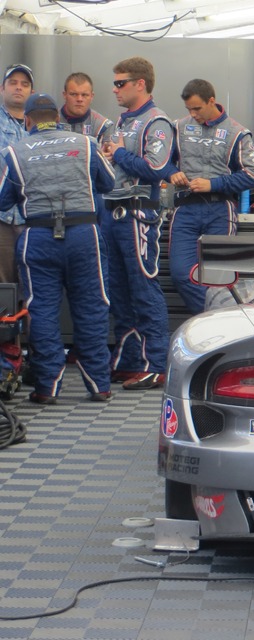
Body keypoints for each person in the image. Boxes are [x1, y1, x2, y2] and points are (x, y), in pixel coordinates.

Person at [0, 93, 116, 404]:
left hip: (37, 237)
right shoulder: (87, 144)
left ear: (27, 120)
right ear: (57, 118)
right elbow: (109, 182)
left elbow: (2, 201)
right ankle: (99, 384)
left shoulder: (14, 151)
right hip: (84, 235)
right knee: (92, 307)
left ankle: (47, 387)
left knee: (41, 311)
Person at [101, 57, 177, 391]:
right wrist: (110, 155)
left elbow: (157, 169)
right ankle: (129, 359)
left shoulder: (157, 122)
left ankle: (155, 364)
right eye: (115, 83)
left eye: (120, 83)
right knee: (119, 291)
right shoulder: (121, 121)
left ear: (140, 84)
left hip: (138, 214)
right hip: (112, 212)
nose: (115, 89)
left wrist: (118, 154)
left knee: (144, 288)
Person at [169, 78, 254, 313]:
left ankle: (218, 323)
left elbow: (252, 176)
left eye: (197, 108)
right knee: (180, 273)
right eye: (189, 109)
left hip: (220, 211)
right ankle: (216, 318)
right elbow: (159, 162)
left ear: (212, 101)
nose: (193, 114)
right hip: (185, 210)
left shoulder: (238, 132)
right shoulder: (178, 127)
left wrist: (213, 184)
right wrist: (171, 173)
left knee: (217, 279)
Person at [0, 63, 33, 284]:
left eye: (24, 84)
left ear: (31, 91)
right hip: (1, 220)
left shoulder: (42, 125)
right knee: (3, 286)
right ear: (2, 89)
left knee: (32, 284)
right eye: (13, 83)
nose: (18, 87)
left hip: (32, 220)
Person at [59, 72, 115, 145]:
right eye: (74, 94)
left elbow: (108, 151)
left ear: (92, 96)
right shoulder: (50, 120)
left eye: (84, 95)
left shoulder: (103, 125)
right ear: (64, 95)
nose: (79, 99)